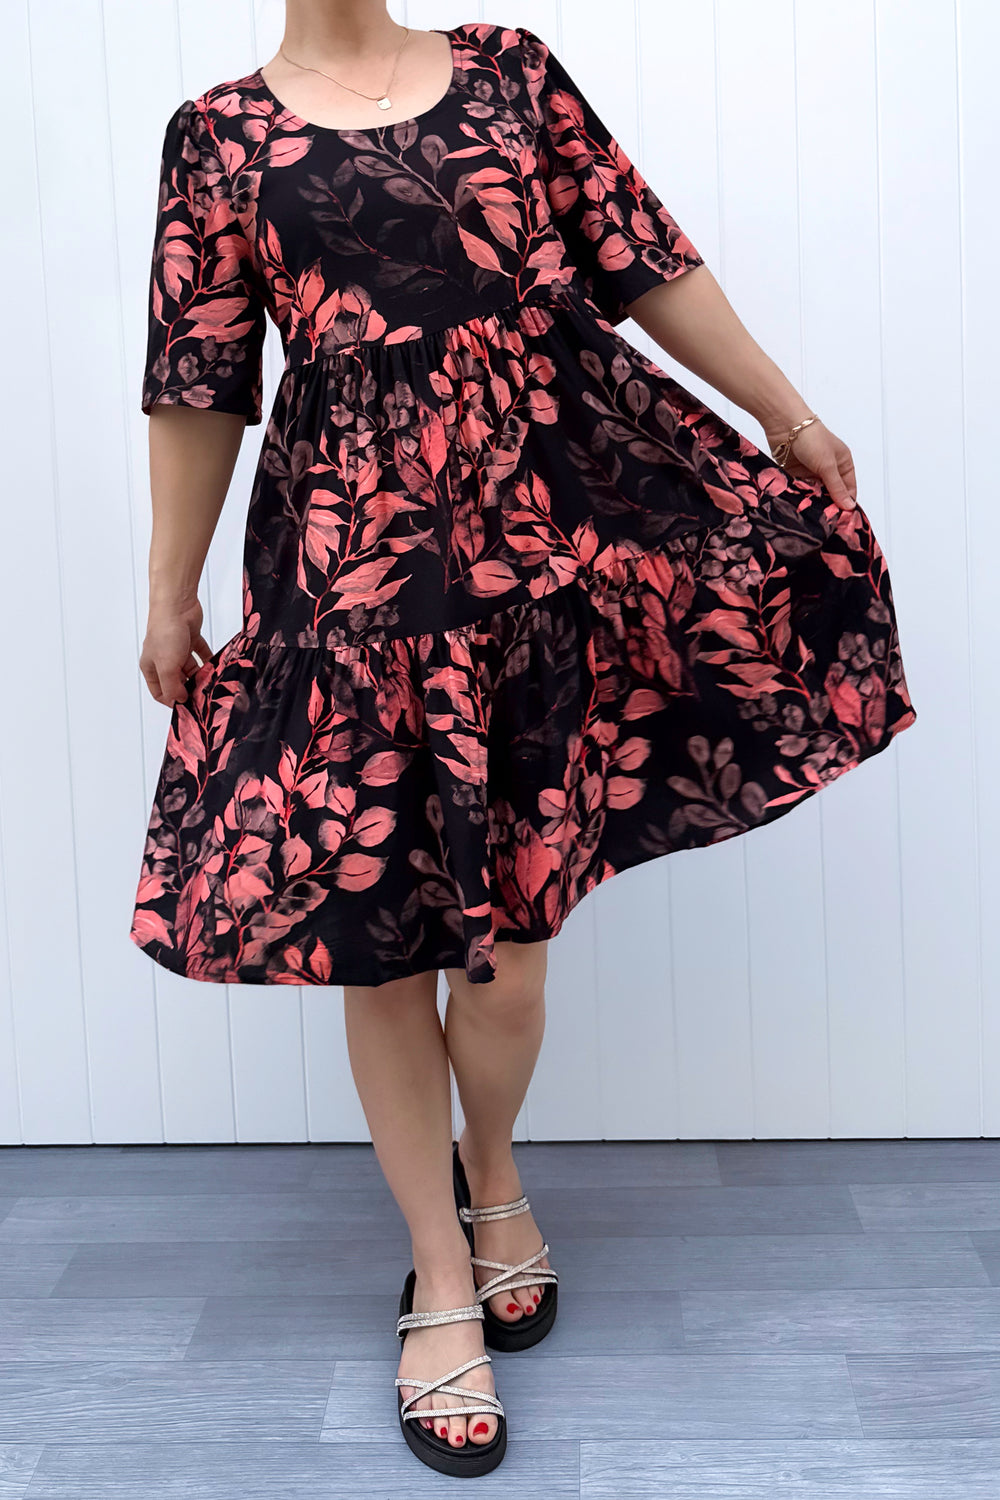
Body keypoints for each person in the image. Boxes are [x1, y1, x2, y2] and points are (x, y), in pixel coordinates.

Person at [131, 2, 917, 1477]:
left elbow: (646, 258)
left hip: (543, 542)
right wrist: (169, 590)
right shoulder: (218, 134)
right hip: (347, 566)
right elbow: (197, 381)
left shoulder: (509, 68)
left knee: (513, 949)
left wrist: (788, 416)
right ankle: (442, 1269)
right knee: (381, 932)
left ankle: (490, 1169)